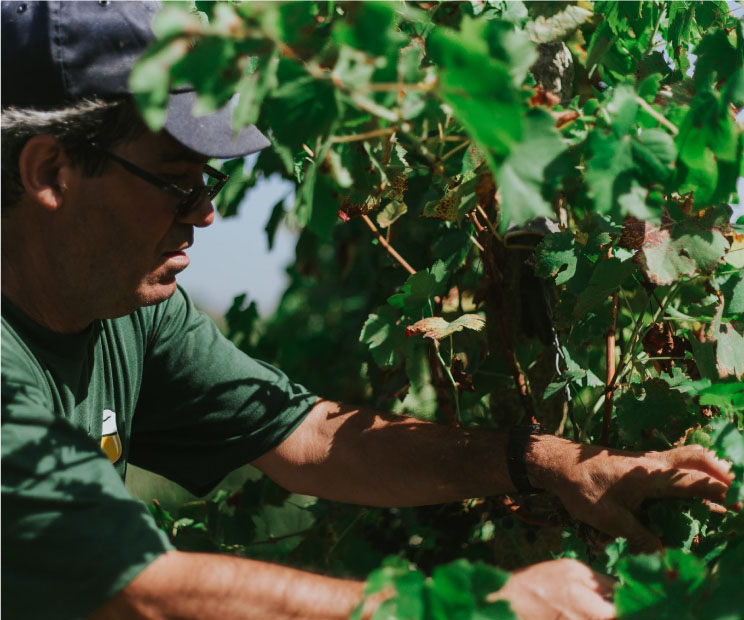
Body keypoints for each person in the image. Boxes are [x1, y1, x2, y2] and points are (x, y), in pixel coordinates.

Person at [0, 2, 733, 619]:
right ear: (49, 172)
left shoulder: (127, 311)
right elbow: (143, 594)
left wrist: (550, 463)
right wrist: (479, 606)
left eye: (211, 183)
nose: (204, 215)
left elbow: (310, 438)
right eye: (176, 182)